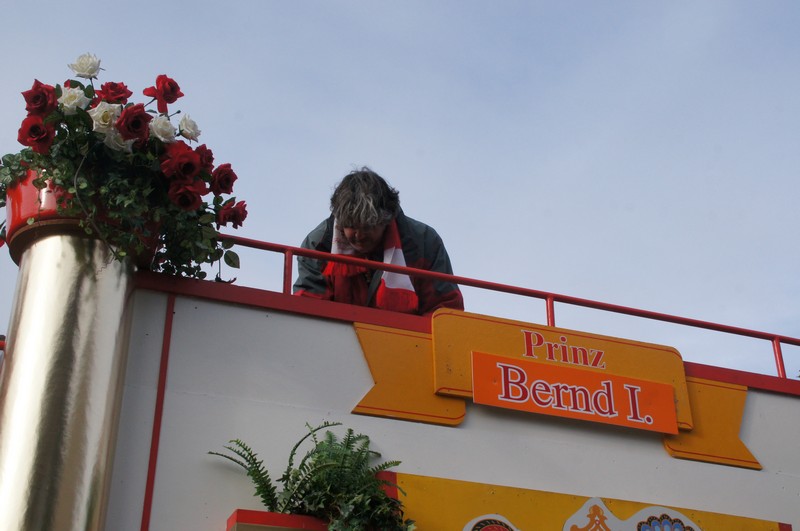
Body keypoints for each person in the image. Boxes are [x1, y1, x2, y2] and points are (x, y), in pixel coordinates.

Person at [293, 168, 464, 315]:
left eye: (368, 226)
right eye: (351, 226)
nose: (359, 235)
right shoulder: (318, 245)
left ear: (387, 219)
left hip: (405, 339)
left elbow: (444, 309)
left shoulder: (425, 242)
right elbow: (309, 308)